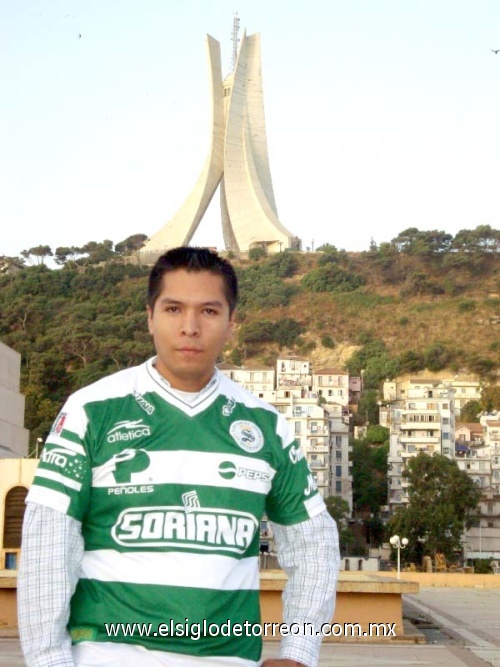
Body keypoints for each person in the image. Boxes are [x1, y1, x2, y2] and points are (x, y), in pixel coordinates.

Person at [18, 246, 340, 667]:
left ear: (230, 323)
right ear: (149, 316)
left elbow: (314, 544)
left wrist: (299, 652)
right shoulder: (91, 410)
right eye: (173, 309)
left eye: (208, 311)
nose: (190, 327)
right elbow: (47, 549)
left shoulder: (266, 426)